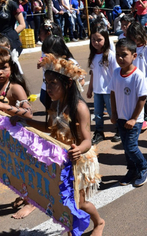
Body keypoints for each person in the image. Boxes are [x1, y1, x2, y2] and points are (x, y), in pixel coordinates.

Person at [11, 54, 105, 235]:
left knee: (80, 202)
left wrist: (79, 149)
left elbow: (87, 139)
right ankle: (71, 229)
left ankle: (99, 222)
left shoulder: (79, 108)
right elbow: (48, 127)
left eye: (53, 82)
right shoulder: (54, 104)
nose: (48, 87)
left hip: (79, 161)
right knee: (63, 200)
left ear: (68, 84)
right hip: (61, 159)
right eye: (46, 82)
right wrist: (25, 122)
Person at [109, 38, 147, 187]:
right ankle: (132, 170)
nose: (120, 58)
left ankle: (143, 167)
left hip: (134, 119)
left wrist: (133, 118)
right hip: (121, 118)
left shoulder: (137, 75)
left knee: (131, 146)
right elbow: (112, 93)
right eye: (118, 54)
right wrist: (113, 113)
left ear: (134, 56)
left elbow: (142, 98)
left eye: (124, 54)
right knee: (126, 147)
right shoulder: (116, 73)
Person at [0, 46, 34, 219]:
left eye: (3, 67)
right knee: (10, 170)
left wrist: (8, 108)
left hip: (18, 138)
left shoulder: (14, 88)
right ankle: (23, 195)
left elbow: (28, 113)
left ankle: (30, 202)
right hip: (3, 139)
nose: (0, 71)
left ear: (11, 67)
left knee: (21, 170)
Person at [87, 25, 120, 144]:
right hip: (97, 90)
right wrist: (90, 89)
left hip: (109, 90)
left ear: (105, 39)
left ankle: (118, 130)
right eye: (93, 40)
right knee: (97, 113)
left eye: (99, 39)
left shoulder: (110, 55)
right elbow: (93, 73)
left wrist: (115, 89)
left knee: (112, 112)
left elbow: (116, 73)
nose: (96, 42)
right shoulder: (93, 55)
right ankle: (99, 132)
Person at [127, 22, 147, 130]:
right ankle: (140, 114)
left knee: (142, 96)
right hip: (134, 77)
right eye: (132, 38)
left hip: (146, 77)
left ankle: (146, 116)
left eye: (136, 37)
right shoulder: (131, 48)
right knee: (136, 97)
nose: (135, 40)